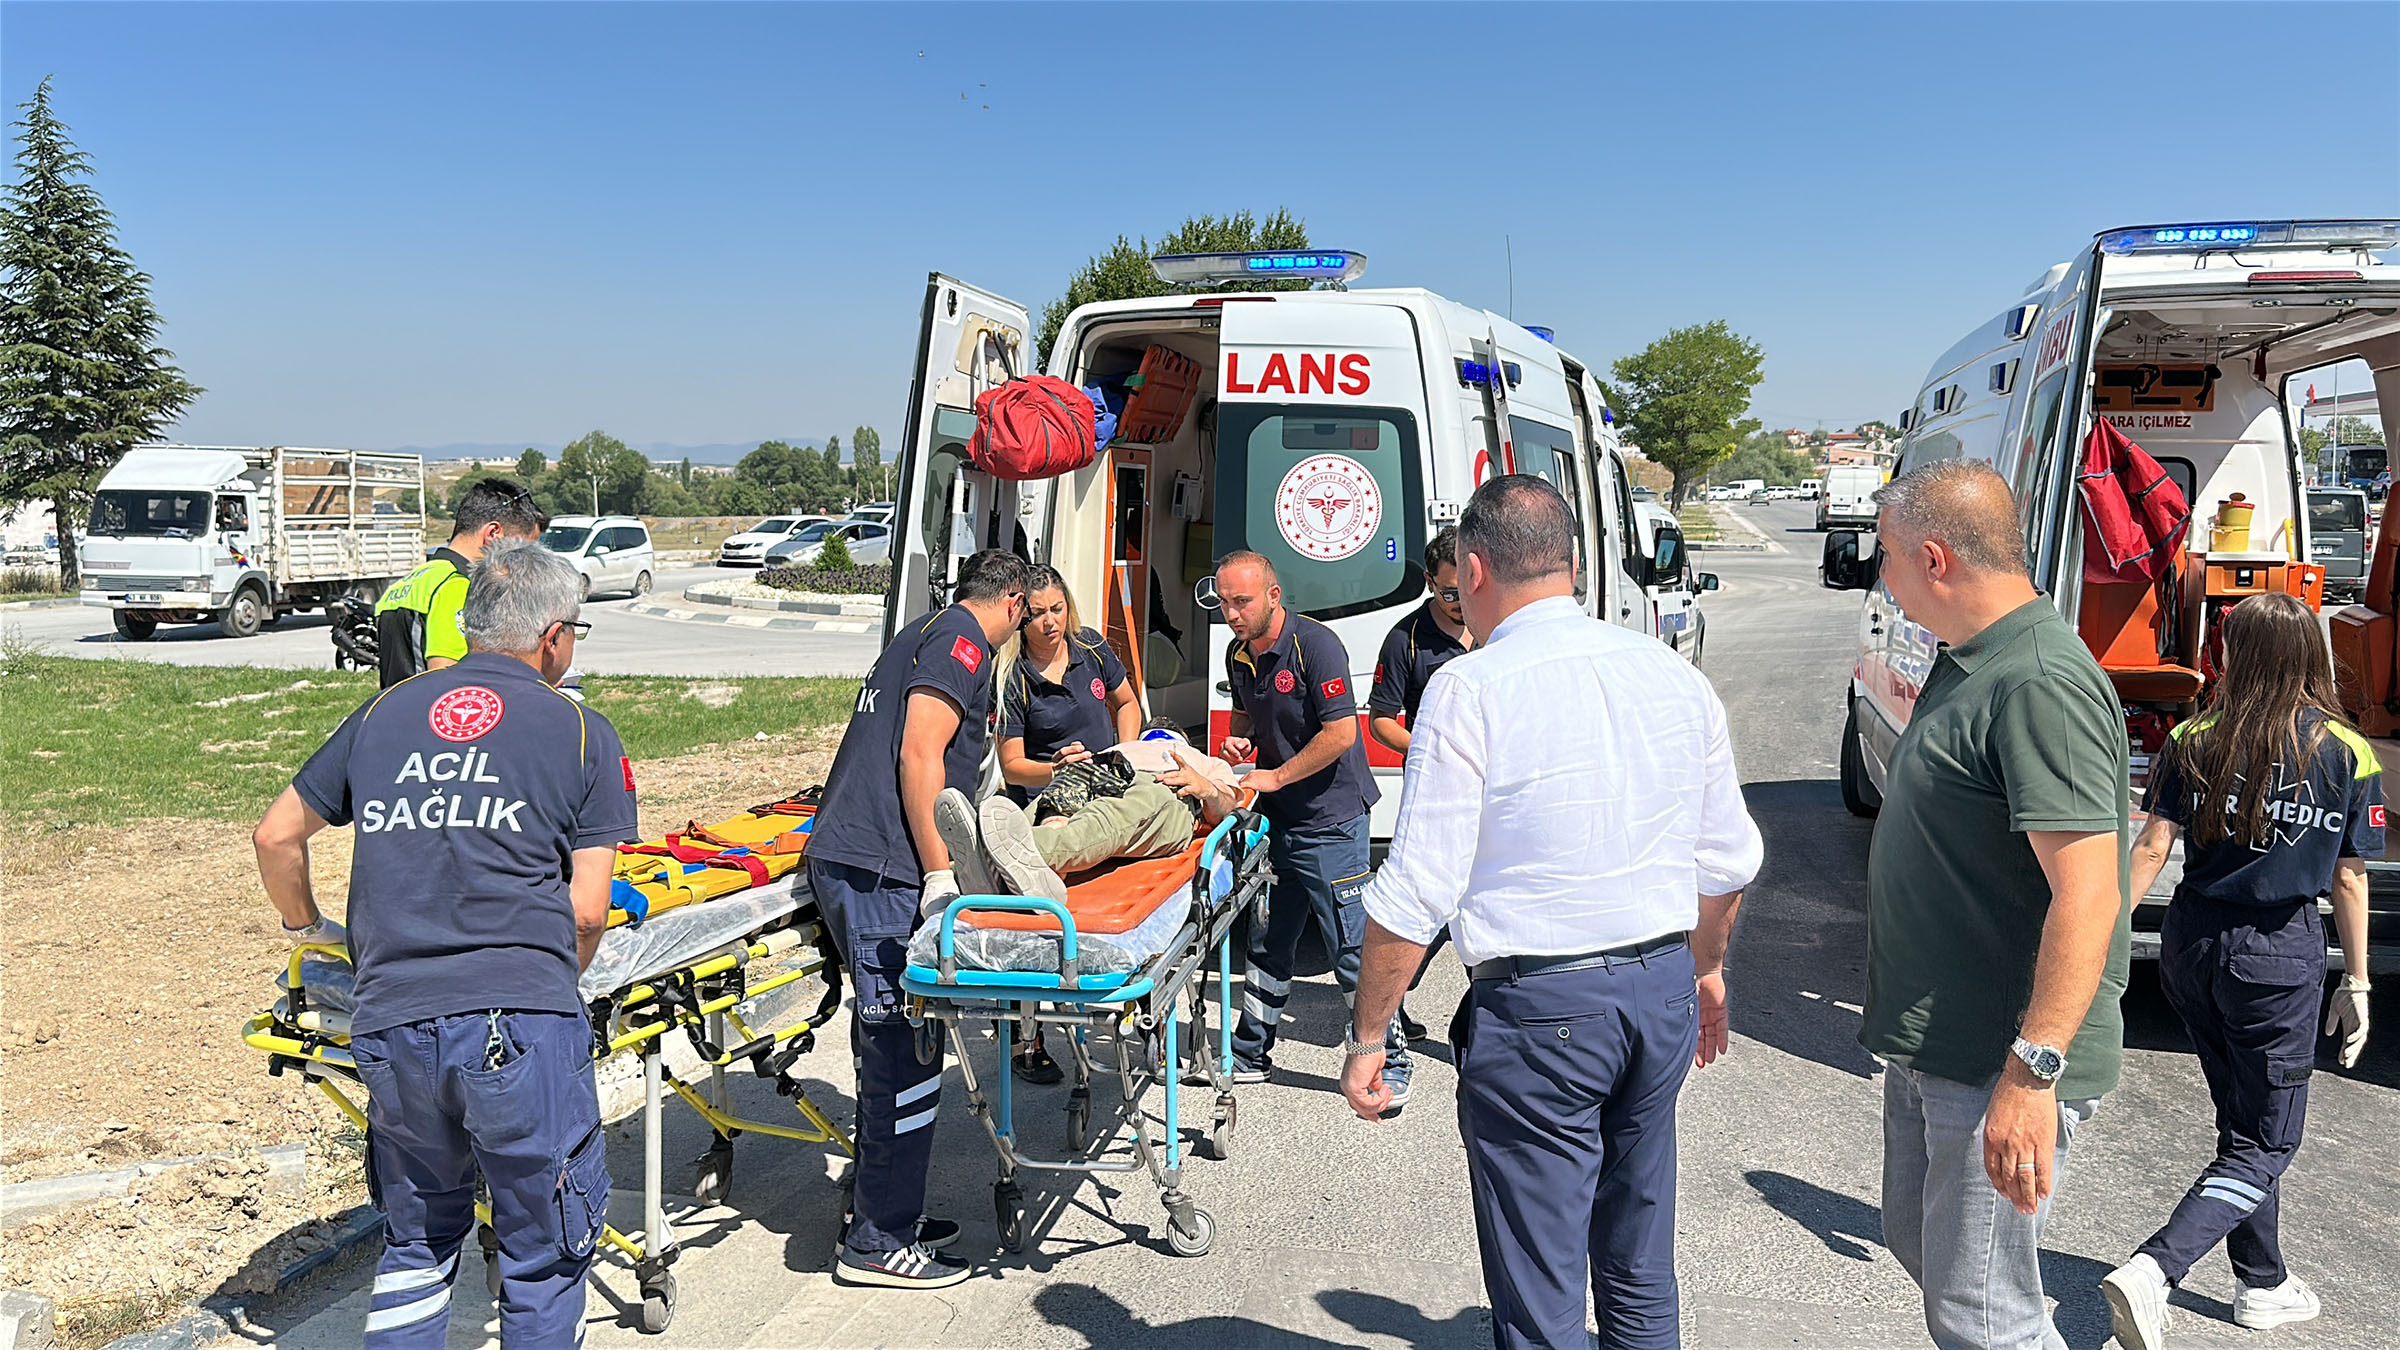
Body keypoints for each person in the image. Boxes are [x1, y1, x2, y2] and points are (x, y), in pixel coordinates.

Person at [1343, 475, 1762, 1350]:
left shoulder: (1470, 687)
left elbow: (1417, 892)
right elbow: (1725, 860)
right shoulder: (1668, 672)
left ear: (1477, 568)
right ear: (1570, 564)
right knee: (1640, 1260)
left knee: (1540, 1290)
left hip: (1542, 1015)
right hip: (1658, 992)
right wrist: (1707, 969)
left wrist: (1370, 1036)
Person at [251, 541, 636, 1345]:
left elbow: (276, 835)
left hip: (390, 1020)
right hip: (518, 1020)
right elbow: (589, 913)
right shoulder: (579, 730)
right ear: (554, 637)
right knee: (542, 1248)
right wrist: (543, 986)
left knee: (418, 1242)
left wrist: (309, 929)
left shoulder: (384, 711)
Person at [1860, 459, 2132, 1350]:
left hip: (1997, 1061)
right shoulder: (1973, 659)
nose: (1881, 576)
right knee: (1925, 1250)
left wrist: (2031, 1074)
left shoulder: (2039, 681)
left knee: (1985, 1318)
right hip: (1940, 1045)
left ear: (1934, 558)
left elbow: (2090, 894)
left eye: (1887, 556)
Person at [2099, 592, 2378, 1350]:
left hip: (2192, 945)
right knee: (2267, 1142)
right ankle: (2156, 1269)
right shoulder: (2346, 750)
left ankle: (2263, 1283)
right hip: (2275, 953)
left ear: (2230, 655)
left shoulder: (2193, 736)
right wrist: (2357, 980)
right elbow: (2351, 879)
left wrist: (2100, 946)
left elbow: (2151, 848)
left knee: (2243, 1128)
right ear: (2311, 656)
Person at [804, 548, 1028, 1289]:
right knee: (903, 1050)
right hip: (883, 871)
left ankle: (884, 1208)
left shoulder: (926, 629)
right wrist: (940, 871)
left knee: (896, 1049)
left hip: (865, 861)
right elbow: (921, 755)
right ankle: (876, 1240)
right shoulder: (963, 641)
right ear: (1016, 602)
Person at [1213, 550, 1410, 1103]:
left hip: (1331, 820)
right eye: (1224, 602)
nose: (1232, 613)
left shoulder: (1315, 645)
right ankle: (1251, 1050)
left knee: (1350, 947)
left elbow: (1343, 734)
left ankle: (1388, 1059)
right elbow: (1249, 716)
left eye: (1242, 601)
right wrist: (1240, 741)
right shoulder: (1238, 652)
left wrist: (1275, 777)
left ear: (1273, 596)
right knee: (1272, 941)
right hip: (1280, 824)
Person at [980, 565, 1145, 1082]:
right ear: (1020, 616)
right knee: (1035, 917)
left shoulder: (1093, 650)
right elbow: (1012, 766)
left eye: (1058, 609)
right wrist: (1058, 766)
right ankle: (1025, 1040)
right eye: (1037, 613)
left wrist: (1119, 752)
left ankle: (1118, 998)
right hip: (1049, 797)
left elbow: (1127, 704)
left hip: (1109, 785)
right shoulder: (1012, 678)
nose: (1050, 622)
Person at [1366, 526, 1473, 1038]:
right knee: (1427, 912)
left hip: (1493, 797)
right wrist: (1432, 750)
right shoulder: (1404, 638)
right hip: (1436, 793)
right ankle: (1393, 1001)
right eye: (1447, 593)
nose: (1458, 603)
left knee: (1482, 903)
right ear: (1430, 582)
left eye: (1465, 591)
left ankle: (1489, 1014)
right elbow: (1381, 720)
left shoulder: (1497, 625)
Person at [373, 476, 548, 688]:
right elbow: (451, 680)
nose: (521, 561)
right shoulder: (458, 586)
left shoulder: (410, 582)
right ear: (493, 533)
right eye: (521, 549)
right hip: (431, 715)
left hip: (396, 712)